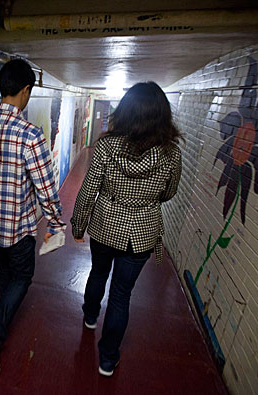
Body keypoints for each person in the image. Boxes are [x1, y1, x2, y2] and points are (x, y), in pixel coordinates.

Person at [0, 59, 65, 375]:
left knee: (6, 270)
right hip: (17, 228)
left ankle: (1, 318)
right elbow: (46, 187)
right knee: (22, 276)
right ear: (25, 91)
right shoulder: (30, 135)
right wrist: (56, 223)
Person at [71, 81, 182, 377]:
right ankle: (107, 360)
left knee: (98, 272)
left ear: (125, 111)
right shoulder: (171, 153)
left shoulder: (106, 146)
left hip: (105, 226)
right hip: (142, 233)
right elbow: (169, 192)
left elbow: (88, 190)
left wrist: (79, 224)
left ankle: (90, 316)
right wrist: (145, 201)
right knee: (121, 295)